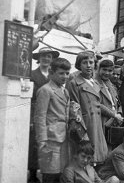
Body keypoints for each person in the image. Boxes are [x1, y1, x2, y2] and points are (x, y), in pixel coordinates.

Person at [67, 50, 109, 165]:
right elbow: (74, 109)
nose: (89, 65)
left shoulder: (95, 83)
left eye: (91, 62)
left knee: (97, 156)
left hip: (97, 123)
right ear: (79, 65)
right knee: (85, 155)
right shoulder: (74, 83)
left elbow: (98, 105)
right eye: (85, 62)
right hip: (85, 124)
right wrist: (82, 131)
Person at [34, 57, 71, 183]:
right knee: (50, 174)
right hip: (50, 139)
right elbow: (40, 117)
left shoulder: (65, 91)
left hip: (63, 138)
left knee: (61, 174)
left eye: (67, 73)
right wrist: (42, 141)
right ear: (52, 72)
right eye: (61, 73)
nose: (65, 76)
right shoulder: (46, 90)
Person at [29, 47, 60, 183]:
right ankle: (33, 173)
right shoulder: (32, 74)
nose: (46, 59)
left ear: (52, 59)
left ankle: (49, 172)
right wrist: (30, 119)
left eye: (49, 56)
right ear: (38, 59)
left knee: (51, 143)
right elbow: (28, 99)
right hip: (37, 113)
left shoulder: (54, 75)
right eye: (43, 56)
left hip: (52, 114)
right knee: (35, 144)